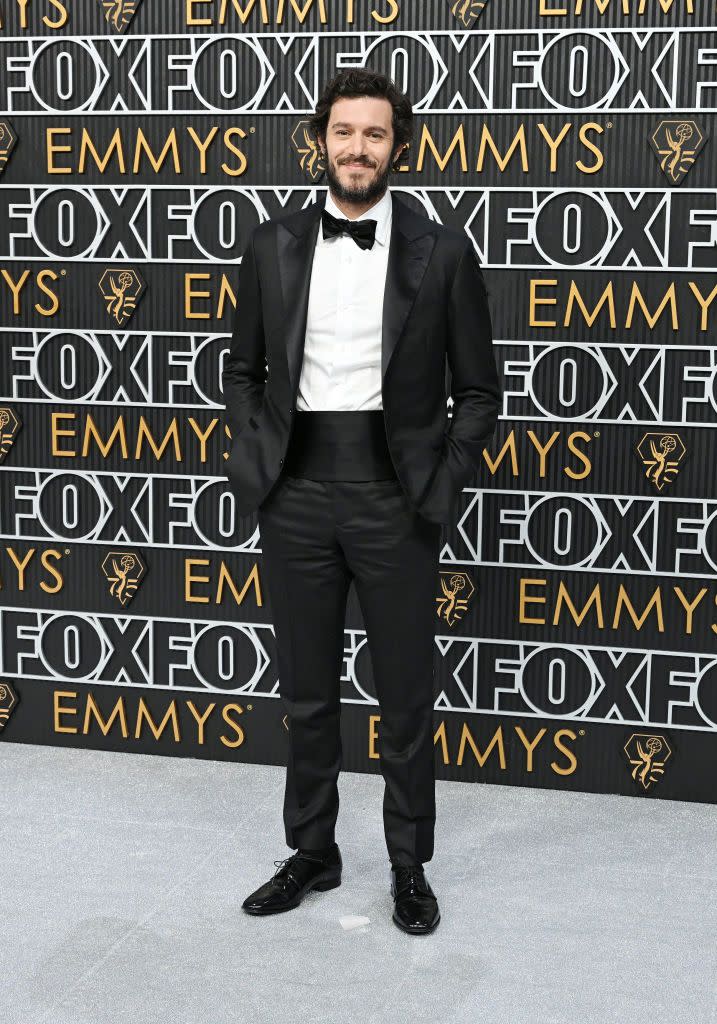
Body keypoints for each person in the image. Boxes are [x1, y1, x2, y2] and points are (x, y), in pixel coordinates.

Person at [222, 68, 501, 935]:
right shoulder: (270, 244)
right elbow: (243, 371)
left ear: (398, 147)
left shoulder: (443, 251)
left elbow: (478, 390)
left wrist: (440, 481)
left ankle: (408, 865)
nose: (356, 149)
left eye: (374, 135)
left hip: (396, 497)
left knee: (405, 696)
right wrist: (256, 457)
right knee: (307, 693)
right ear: (320, 141)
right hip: (296, 492)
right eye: (343, 132)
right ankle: (312, 852)